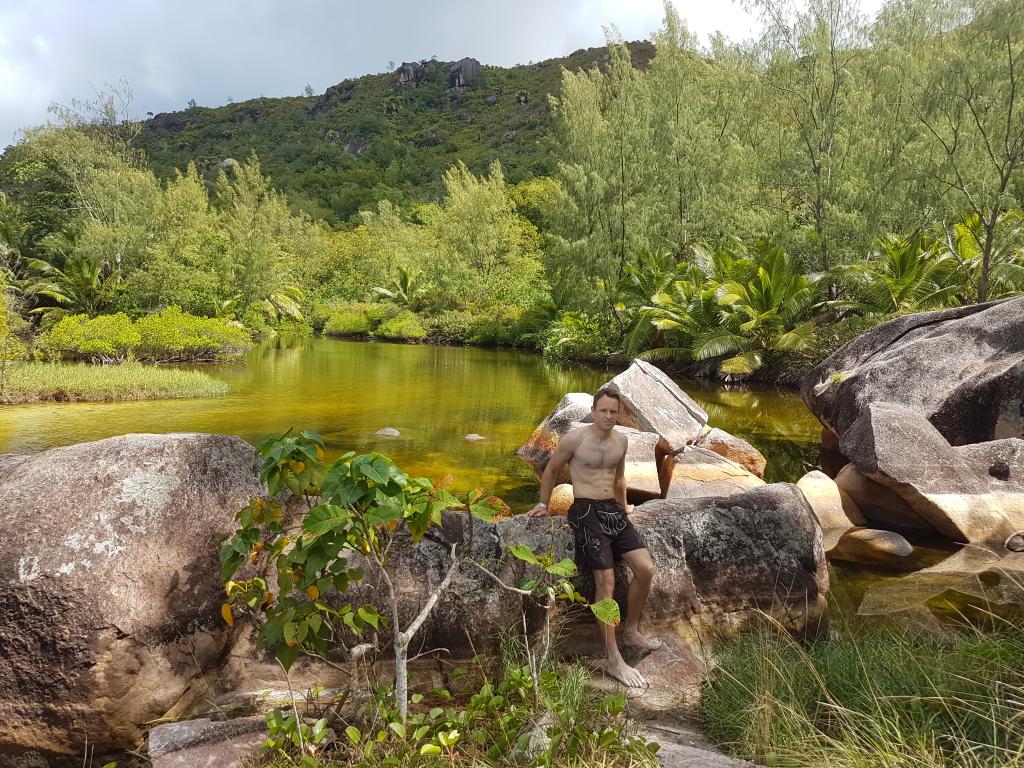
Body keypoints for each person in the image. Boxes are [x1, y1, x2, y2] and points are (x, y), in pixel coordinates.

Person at [527, 387, 661, 687]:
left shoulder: (622, 440)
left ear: (618, 413)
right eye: (603, 410)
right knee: (607, 580)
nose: (608, 416)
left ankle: (631, 630)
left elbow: (619, 478)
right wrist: (542, 505)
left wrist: (625, 507)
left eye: (613, 411)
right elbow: (549, 471)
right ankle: (614, 658)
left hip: (613, 512)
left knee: (646, 569)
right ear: (594, 410)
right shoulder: (575, 438)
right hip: (585, 511)